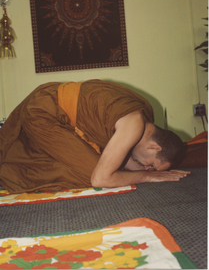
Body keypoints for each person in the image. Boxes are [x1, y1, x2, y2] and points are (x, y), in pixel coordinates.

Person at [0, 79, 190, 193]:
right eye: (151, 165)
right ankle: (9, 173)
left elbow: (124, 161)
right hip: (44, 112)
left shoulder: (144, 120)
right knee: (92, 174)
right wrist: (147, 178)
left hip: (50, 105)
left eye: (150, 170)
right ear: (154, 147)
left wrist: (153, 173)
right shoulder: (134, 124)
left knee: (108, 168)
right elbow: (100, 179)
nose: (146, 168)